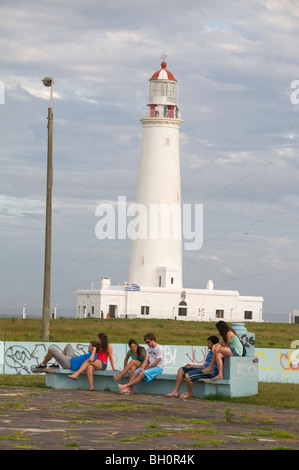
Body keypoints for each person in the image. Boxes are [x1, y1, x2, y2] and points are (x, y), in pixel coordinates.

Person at [32, 341, 100, 372]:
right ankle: (56, 364)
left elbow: (91, 359)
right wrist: (77, 357)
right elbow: (84, 360)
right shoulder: (91, 355)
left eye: (90, 346)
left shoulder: (94, 356)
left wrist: (94, 351)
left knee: (52, 349)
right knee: (68, 345)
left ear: (93, 348)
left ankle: (42, 364)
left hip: (69, 364)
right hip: (72, 359)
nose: (88, 347)